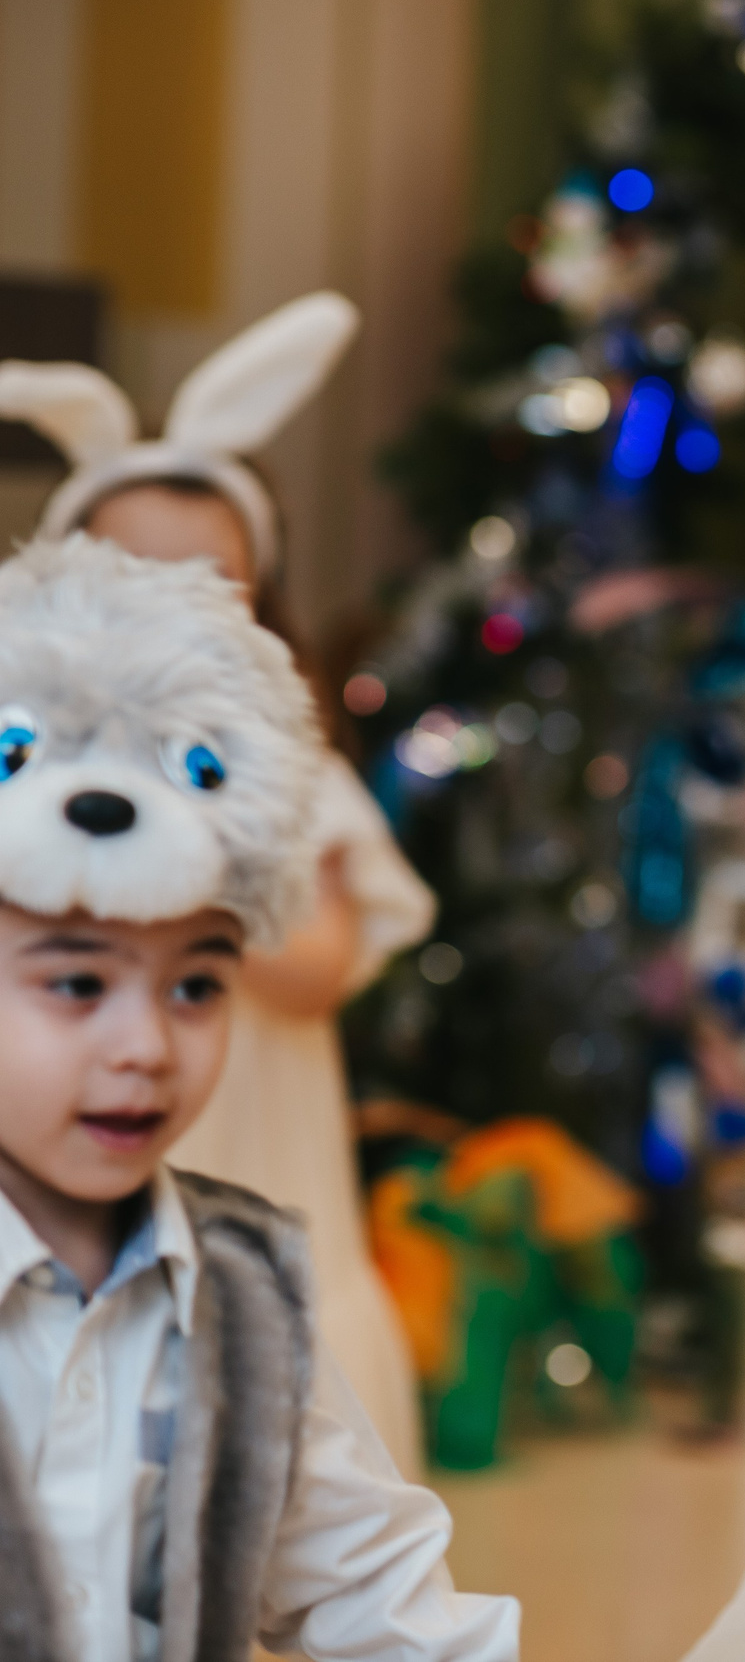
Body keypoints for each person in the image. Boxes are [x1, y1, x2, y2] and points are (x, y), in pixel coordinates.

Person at [0, 534, 513, 1660]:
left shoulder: (241, 1293)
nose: (144, 1046)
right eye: (76, 984)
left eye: (195, 986)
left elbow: (379, 1593)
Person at [0, 292, 437, 1475]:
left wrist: (203, 886)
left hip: (251, 1137)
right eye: (136, 573)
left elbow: (321, 971)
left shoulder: (293, 773)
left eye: (212, 583)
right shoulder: (24, 770)